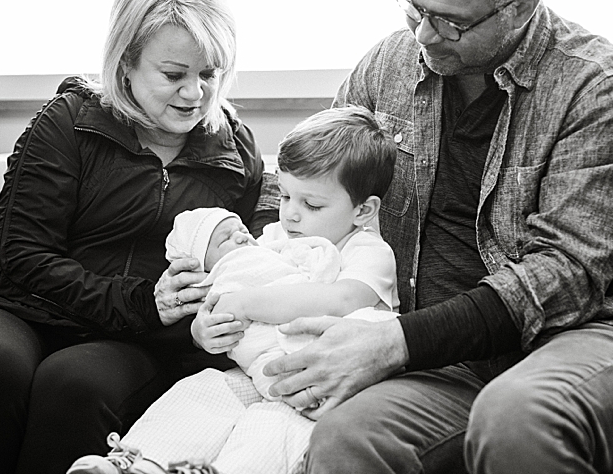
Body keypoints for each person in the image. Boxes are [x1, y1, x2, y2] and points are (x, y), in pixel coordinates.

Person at [221, 0, 613, 472]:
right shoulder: (387, 65)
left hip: (581, 337)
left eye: (452, 22)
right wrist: (224, 268)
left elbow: (565, 274)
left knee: (516, 419)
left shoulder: (600, 87)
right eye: (413, 5)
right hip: (436, 358)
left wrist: (396, 343)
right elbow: (300, 185)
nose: (424, 35)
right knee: (344, 438)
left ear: (518, 8)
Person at [0, 0, 269, 474]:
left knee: (75, 384)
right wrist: (142, 299)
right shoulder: (67, 123)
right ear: (126, 61)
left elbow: (258, 255)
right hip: (21, 308)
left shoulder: (232, 151)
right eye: (174, 75)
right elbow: (20, 260)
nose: (196, 93)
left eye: (210, 74)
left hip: (141, 339)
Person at [70, 106, 399, 474]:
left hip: (319, 381)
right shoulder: (275, 239)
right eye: (286, 196)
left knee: (271, 426)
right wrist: (204, 330)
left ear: (363, 210)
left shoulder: (368, 250)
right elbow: (238, 280)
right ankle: (142, 463)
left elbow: (342, 299)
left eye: (311, 204)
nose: (290, 214)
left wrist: (245, 303)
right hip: (256, 370)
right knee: (204, 390)